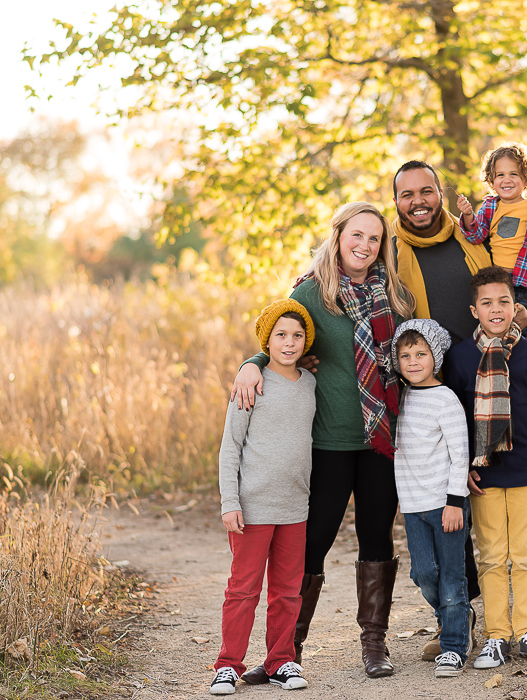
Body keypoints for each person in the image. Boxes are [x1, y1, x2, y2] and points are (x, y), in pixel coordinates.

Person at [390, 162, 527, 660]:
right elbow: (333, 273)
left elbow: (526, 278)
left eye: (427, 191)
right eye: (407, 195)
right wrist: (259, 358)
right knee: (458, 502)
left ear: (440, 193)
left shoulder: (474, 234)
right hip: (444, 388)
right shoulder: (388, 251)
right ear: (396, 200)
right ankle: (459, 616)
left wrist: (525, 313)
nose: (418, 201)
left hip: (504, 370)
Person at [230, 202, 413, 681]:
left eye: (374, 239)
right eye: (357, 235)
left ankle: (375, 644)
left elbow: (415, 350)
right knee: (311, 546)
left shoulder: (395, 294)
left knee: (377, 538)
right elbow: (279, 333)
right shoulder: (312, 292)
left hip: (380, 438)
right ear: (338, 236)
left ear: (382, 246)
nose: (365, 246)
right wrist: (251, 363)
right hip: (327, 442)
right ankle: (287, 651)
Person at [444, 265, 527, 668]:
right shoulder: (460, 357)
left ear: (516, 307)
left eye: (504, 302)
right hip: (485, 475)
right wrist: (462, 469)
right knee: (492, 557)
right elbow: (456, 420)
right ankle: (496, 635)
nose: (496, 309)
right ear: (474, 310)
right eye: (487, 303)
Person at [210, 300, 317, 694]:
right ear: (267, 340)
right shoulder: (250, 382)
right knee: (243, 589)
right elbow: (230, 447)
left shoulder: (310, 383)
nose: (289, 343)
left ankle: (281, 660)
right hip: (252, 507)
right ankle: (227, 664)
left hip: (294, 507)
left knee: (288, 592)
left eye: (297, 336)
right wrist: (230, 501)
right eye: (281, 335)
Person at [391, 318, 474, 678]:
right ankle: (454, 617)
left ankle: (454, 646)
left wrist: (456, 500)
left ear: (435, 357)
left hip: (445, 503)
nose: (412, 362)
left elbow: (460, 452)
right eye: (405, 355)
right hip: (412, 506)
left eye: (420, 354)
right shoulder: (401, 398)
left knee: (452, 576)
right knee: (423, 573)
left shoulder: (445, 399)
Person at [456, 142, 527, 342]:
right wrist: (468, 215)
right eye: (500, 175)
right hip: (498, 281)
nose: (507, 180)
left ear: (526, 179)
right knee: (499, 326)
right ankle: (507, 363)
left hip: (526, 280)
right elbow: (476, 236)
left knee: (515, 323)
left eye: (514, 174)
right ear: (492, 179)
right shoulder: (489, 206)